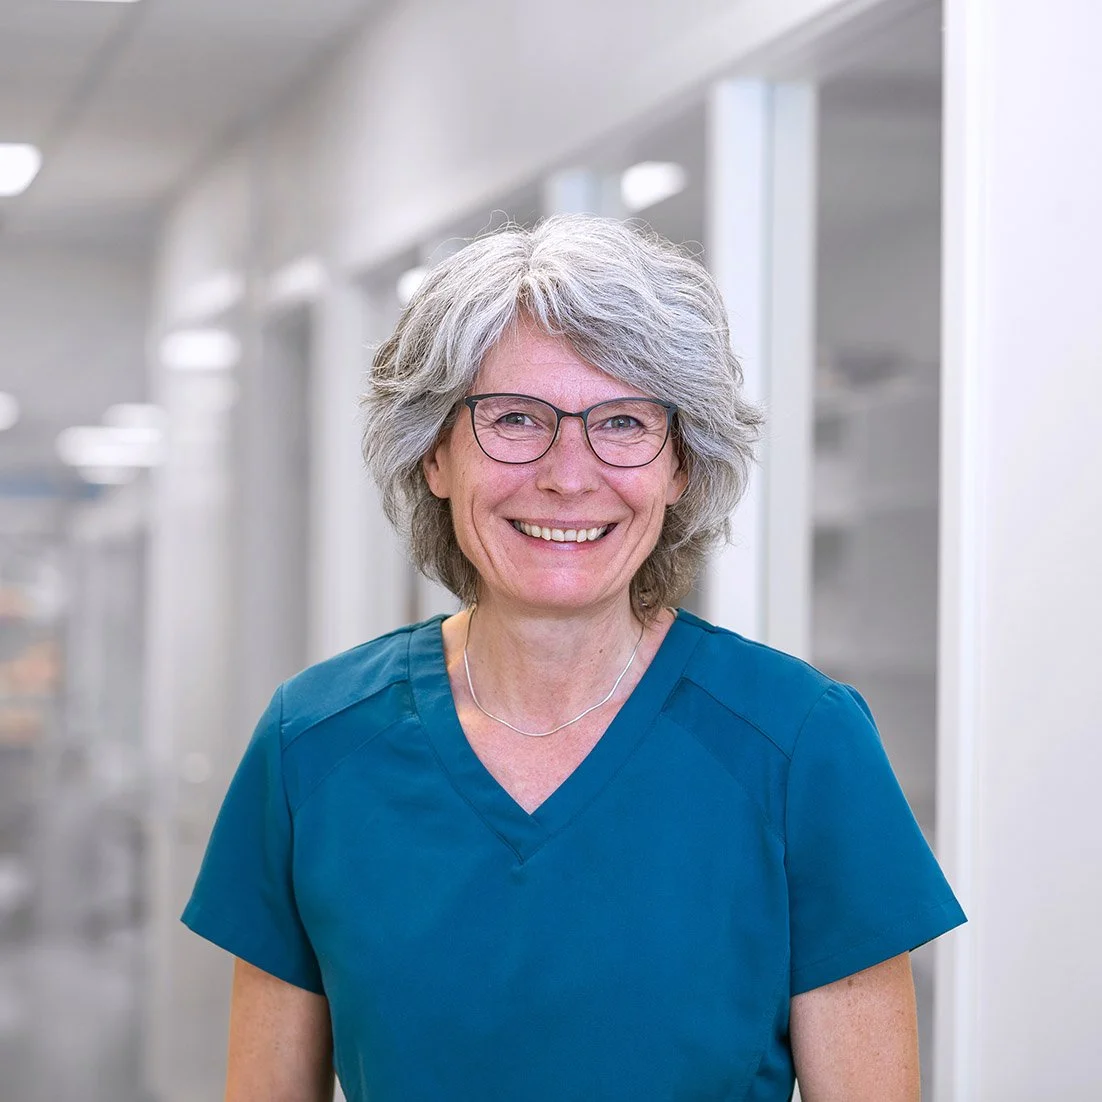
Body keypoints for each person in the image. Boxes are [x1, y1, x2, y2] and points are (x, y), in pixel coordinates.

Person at [183, 214, 965, 1101]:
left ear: (679, 468)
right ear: (434, 454)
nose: (567, 474)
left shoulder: (801, 744)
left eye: (623, 422)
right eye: (515, 419)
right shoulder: (314, 744)